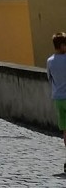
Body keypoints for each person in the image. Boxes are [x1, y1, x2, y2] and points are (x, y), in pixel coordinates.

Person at [47, 31, 66, 173]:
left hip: (59, 99)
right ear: (62, 46)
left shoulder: (50, 61)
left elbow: (49, 78)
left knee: (65, 131)